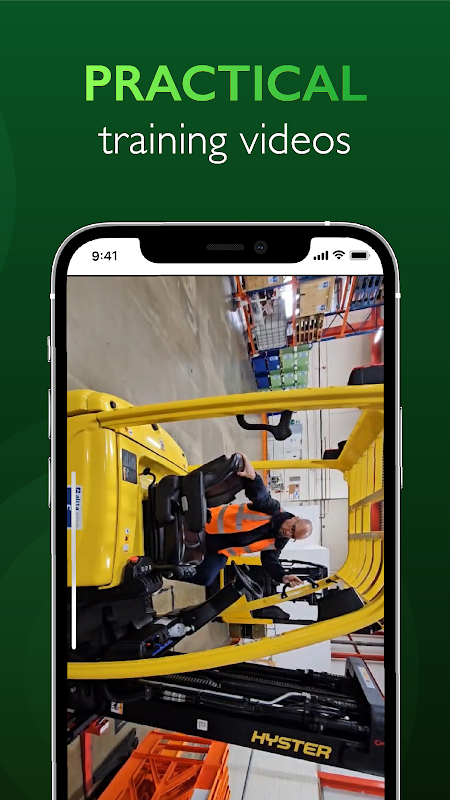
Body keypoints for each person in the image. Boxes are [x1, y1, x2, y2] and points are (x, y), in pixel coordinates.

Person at [181, 453, 313, 588]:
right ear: (295, 518)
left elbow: (270, 561)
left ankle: (171, 572)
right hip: (207, 524)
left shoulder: (279, 541)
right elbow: (261, 496)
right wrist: (253, 477)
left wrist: (282, 576)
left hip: (220, 550)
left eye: (292, 536)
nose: (288, 533)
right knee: (181, 543)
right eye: (292, 528)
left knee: (206, 577)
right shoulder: (272, 509)